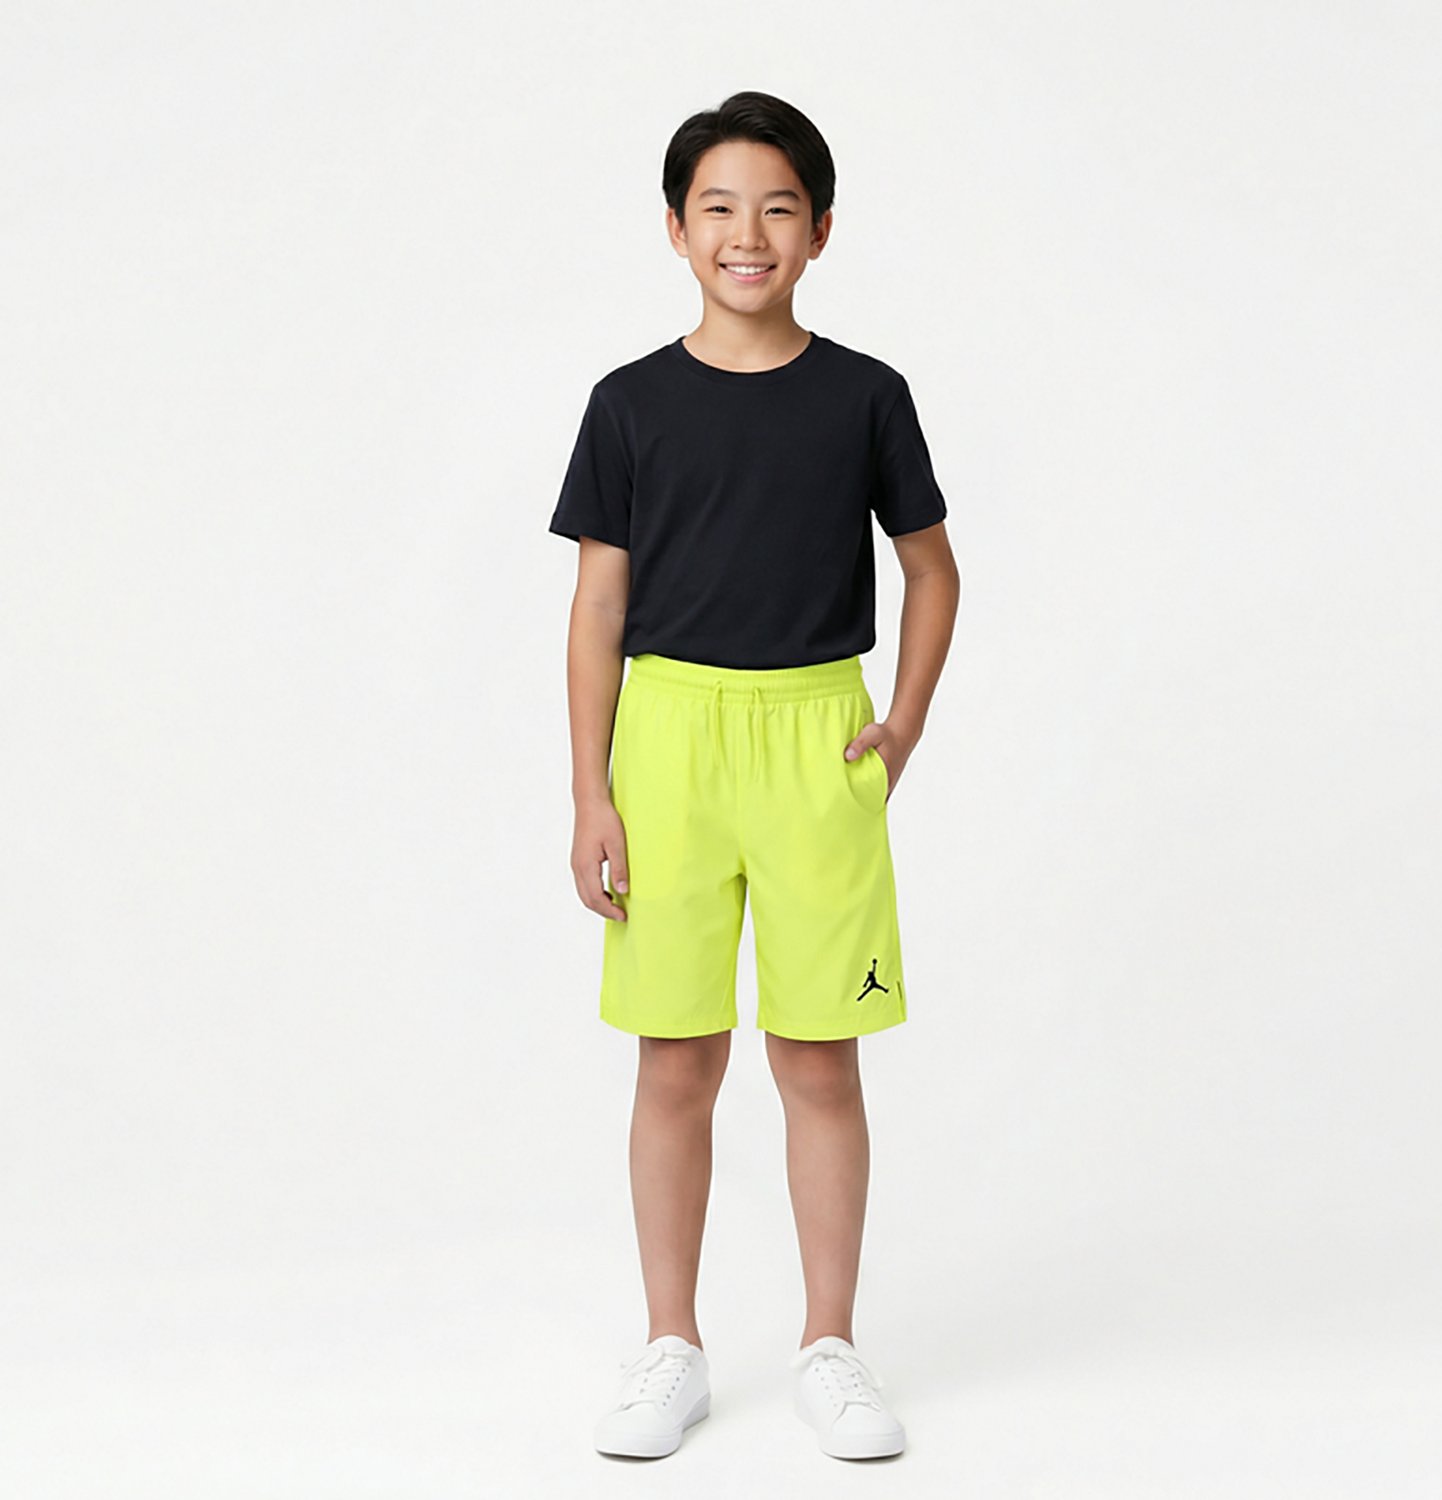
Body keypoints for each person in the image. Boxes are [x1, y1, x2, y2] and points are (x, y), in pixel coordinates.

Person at [548, 90, 959, 1462]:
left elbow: (932, 569)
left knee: (819, 1055)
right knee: (675, 1056)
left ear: (820, 230)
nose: (747, 233)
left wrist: (901, 724)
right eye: (717, 207)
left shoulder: (865, 395)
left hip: (813, 736)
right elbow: (598, 608)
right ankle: (670, 1345)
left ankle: (830, 1346)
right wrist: (593, 791)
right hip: (667, 743)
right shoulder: (628, 404)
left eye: (778, 207)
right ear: (676, 229)